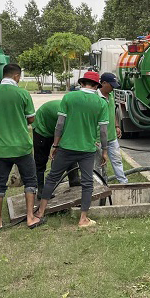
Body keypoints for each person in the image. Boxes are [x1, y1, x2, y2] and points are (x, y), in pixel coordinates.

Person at [36, 71, 110, 228]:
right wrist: (104, 151)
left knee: (52, 178)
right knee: (87, 183)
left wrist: (55, 145)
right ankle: (83, 219)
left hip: (66, 147)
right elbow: (103, 131)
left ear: (82, 83)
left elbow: (59, 125)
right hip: (87, 150)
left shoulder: (69, 97)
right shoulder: (101, 103)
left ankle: (40, 212)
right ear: (97, 86)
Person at [0, 63, 41, 229]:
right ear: (17, 76)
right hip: (21, 146)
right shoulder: (22, 93)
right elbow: (31, 118)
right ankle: (30, 218)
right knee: (30, 181)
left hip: (0, 147)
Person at [32, 99, 80, 193]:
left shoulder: (79, 115)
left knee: (70, 152)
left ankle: (74, 180)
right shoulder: (68, 115)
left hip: (56, 126)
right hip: (43, 127)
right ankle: (40, 189)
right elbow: (61, 129)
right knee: (41, 160)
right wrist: (56, 146)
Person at [98, 72, 127, 184]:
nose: (113, 89)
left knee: (117, 161)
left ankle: (123, 183)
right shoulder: (95, 97)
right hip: (98, 138)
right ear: (103, 83)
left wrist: (116, 125)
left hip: (112, 137)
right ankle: (102, 185)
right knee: (100, 164)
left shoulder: (111, 96)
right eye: (111, 86)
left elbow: (113, 112)